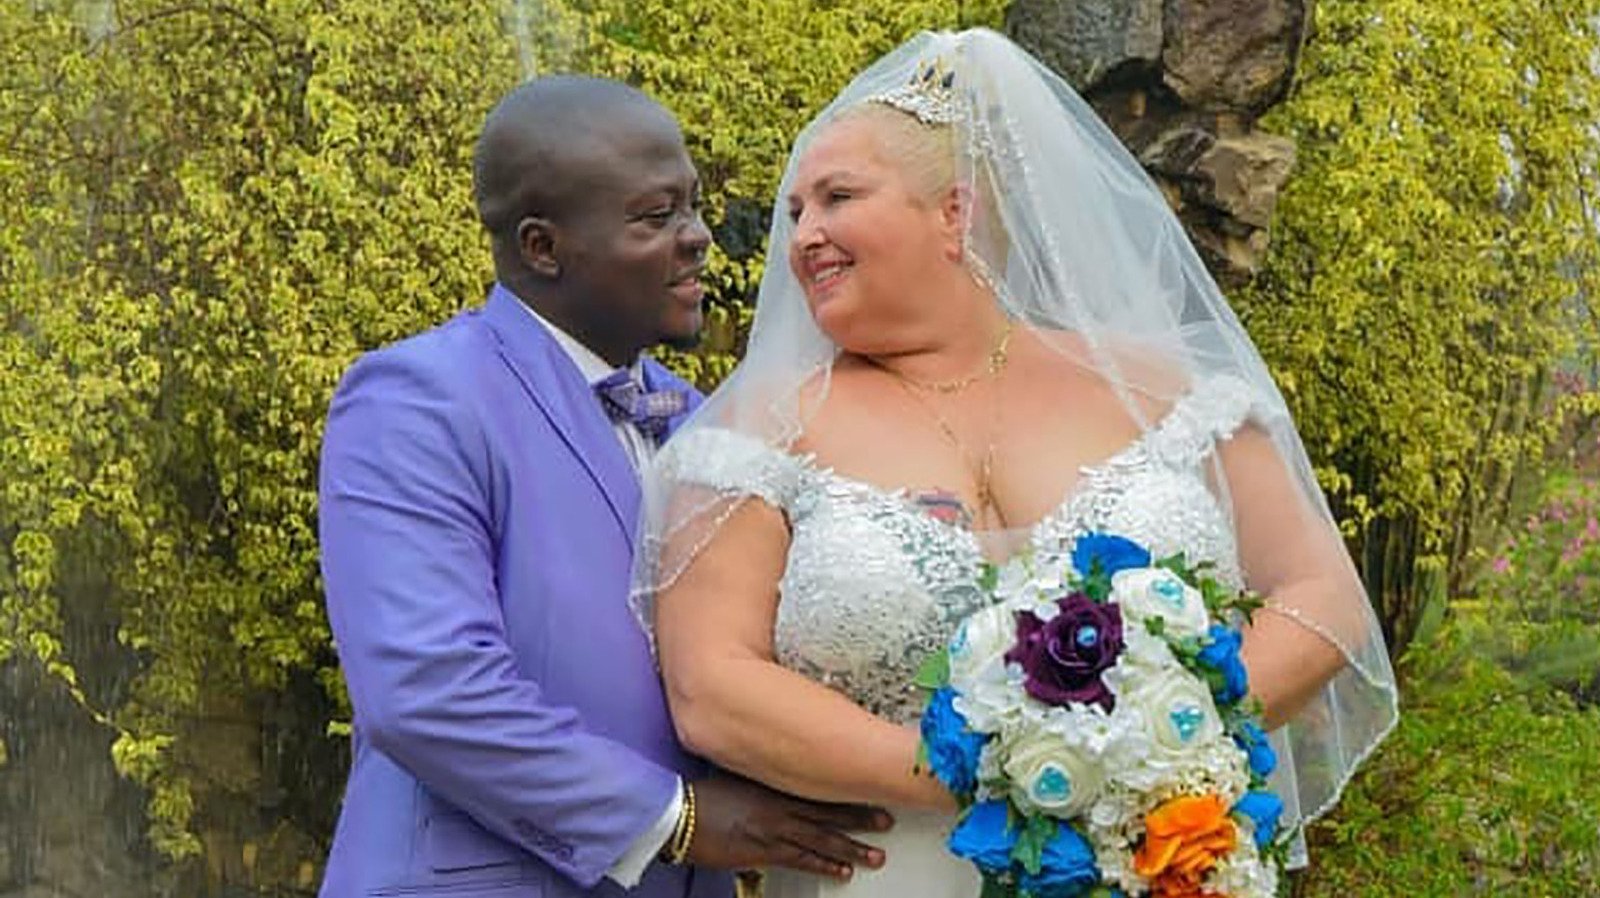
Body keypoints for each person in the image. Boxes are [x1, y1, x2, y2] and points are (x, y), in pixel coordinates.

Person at [635, 29, 1400, 898]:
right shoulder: (752, 433)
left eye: (837, 197)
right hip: (894, 873)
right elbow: (711, 686)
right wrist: (999, 776)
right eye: (795, 212)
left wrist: (1165, 747)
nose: (805, 234)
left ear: (954, 213)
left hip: (1151, 860)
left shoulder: (1154, 385)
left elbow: (1323, 598)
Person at [317, 75, 890, 898]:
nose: (697, 239)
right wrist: (676, 818)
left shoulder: (711, 425)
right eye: (657, 218)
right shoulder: (419, 398)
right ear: (543, 247)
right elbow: (427, 688)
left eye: (692, 208)